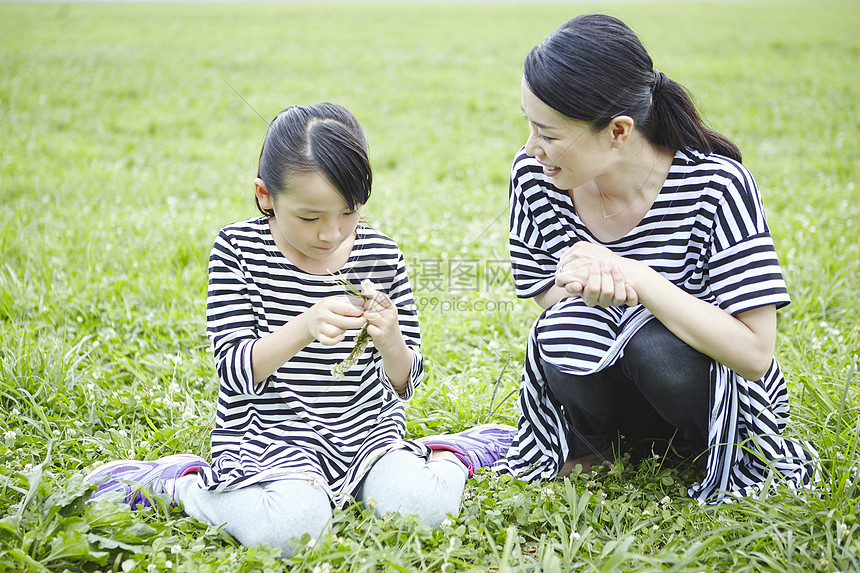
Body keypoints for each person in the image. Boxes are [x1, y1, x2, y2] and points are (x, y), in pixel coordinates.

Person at [84, 103, 514, 556]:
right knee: (290, 534)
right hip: (269, 437)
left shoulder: (382, 254)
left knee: (422, 511)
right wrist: (305, 325)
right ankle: (180, 484)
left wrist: (390, 339)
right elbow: (234, 372)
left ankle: (454, 455)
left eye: (349, 213)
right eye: (310, 217)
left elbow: (406, 382)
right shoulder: (239, 251)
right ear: (265, 195)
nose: (331, 234)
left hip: (367, 435)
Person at [491, 14, 821, 502]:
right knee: (561, 327)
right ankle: (604, 444)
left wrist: (639, 278)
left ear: (619, 130)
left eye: (549, 133)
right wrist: (579, 281)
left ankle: (706, 447)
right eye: (529, 125)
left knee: (653, 345)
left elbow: (754, 355)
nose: (531, 148)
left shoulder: (716, 186)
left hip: (708, 388)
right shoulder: (536, 176)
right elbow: (547, 292)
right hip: (611, 386)